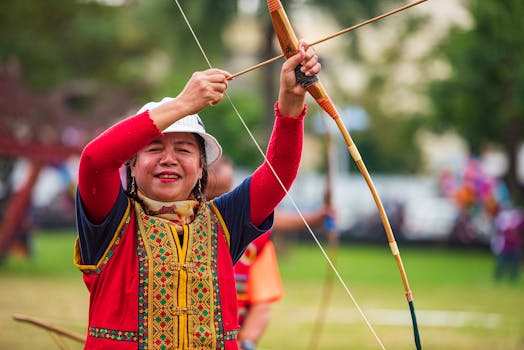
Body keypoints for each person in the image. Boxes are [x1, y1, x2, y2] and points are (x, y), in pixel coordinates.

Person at [74, 40, 321, 349]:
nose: (169, 159)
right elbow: (94, 161)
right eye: (154, 148)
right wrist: (183, 105)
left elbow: (278, 175)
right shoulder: (109, 221)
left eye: (183, 149)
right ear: (132, 165)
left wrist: (291, 98)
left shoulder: (224, 221)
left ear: (202, 166)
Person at [206, 156, 334, 350]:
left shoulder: (255, 237)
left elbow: (261, 303)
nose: (220, 167)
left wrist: (246, 343)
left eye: (225, 164)